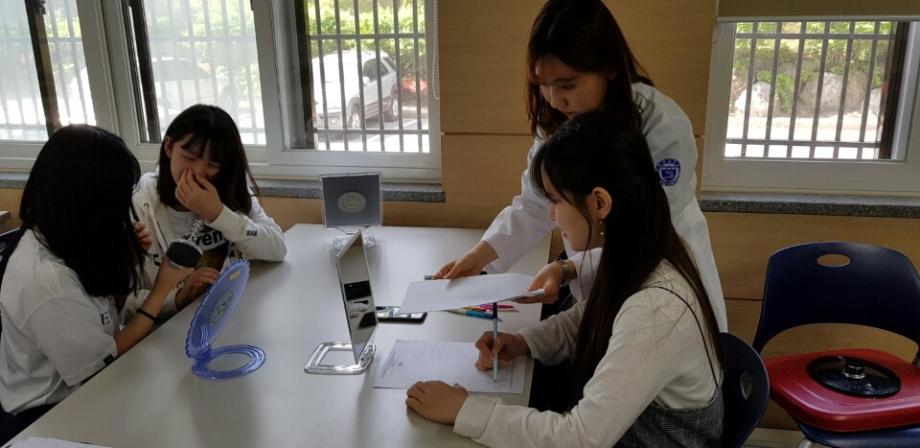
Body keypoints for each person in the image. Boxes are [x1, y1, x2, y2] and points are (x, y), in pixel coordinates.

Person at [407, 113, 724, 447]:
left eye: (556, 200)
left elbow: (580, 439)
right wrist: (525, 342)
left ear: (599, 202)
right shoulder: (639, 252)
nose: (551, 214)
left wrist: (464, 410)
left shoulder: (657, 310)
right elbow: (591, 317)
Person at [434, 0, 726, 332]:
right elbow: (535, 203)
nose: (554, 99)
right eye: (542, 84)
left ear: (609, 68)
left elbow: (648, 235)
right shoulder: (557, 122)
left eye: (567, 85)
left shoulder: (662, 127)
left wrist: (569, 269)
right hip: (605, 285)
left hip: (663, 282)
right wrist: (482, 255)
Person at [0, 125, 191, 437]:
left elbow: (107, 312)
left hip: (88, 386)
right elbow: (102, 365)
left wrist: (126, 262)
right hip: (47, 415)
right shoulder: (46, 280)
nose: (124, 211)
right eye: (117, 200)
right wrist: (162, 289)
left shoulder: (67, 237)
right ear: (89, 202)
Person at [126, 104, 287, 322]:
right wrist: (177, 298)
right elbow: (122, 301)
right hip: (170, 327)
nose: (199, 172)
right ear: (169, 147)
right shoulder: (139, 203)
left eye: (212, 164)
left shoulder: (229, 189)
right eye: (190, 158)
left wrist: (219, 214)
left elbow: (277, 247)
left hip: (232, 314)